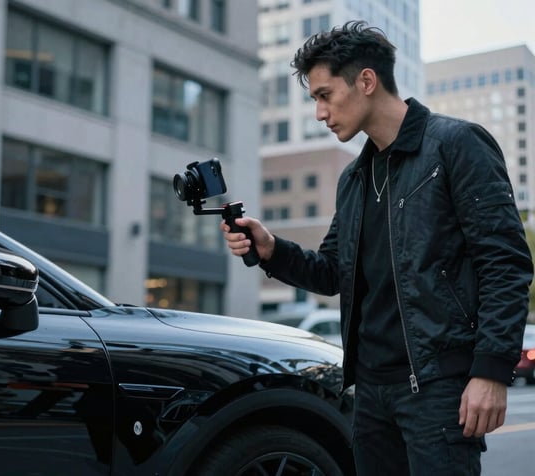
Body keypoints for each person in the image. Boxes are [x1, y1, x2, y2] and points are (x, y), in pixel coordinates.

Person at [221, 20, 533, 476]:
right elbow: (333, 271)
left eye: (324, 95)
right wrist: (271, 250)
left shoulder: (455, 145)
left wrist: (490, 371)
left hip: (437, 388)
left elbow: (505, 263)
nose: (319, 113)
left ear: (366, 81)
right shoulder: (354, 179)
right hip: (370, 392)